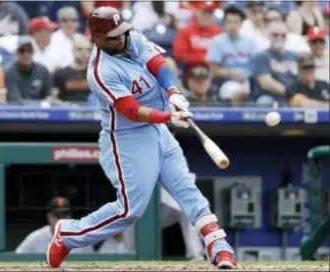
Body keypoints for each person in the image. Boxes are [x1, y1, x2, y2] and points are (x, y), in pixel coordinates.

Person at [46, 6, 236, 270]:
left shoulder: (130, 36)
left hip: (158, 131)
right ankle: (69, 234)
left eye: (120, 32)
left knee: (187, 190)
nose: (119, 38)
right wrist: (168, 117)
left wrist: (174, 93)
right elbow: (131, 111)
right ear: (96, 38)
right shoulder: (100, 72)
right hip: (127, 138)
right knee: (130, 210)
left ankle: (219, 246)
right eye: (111, 36)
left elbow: (159, 64)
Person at [99, 174, 205, 261]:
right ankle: (130, 256)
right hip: (139, 212)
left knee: (187, 211)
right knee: (128, 225)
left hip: (164, 207)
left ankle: (196, 254)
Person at [206, 6, 254, 106]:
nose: (232, 26)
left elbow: (256, 66)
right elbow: (214, 70)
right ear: (224, 24)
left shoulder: (250, 42)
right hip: (226, 83)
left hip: (249, 82)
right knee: (239, 93)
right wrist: (232, 73)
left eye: (236, 22)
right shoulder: (217, 41)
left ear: (241, 24)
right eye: (229, 22)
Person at [16, 197, 94, 253]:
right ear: (49, 217)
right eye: (57, 216)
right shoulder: (35, 238)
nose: (62, 220)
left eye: (65, 216)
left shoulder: (82, 239)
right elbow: (15, 261)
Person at [253, 21, 300, 106]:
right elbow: (265, 83)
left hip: (293, 95)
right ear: (268, 36)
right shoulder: (262, 56)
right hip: (270, 96)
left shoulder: (295, 56)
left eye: (283, 35)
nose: (279, 38)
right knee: (264, 102)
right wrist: (290, 93)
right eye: (275, 35)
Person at [173, 1, 222, 68]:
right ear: (196, 12)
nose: (207, 16)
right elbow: (179, 55)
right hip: (191, 70)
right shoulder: (185, 31)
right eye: (204, 12)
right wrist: (203, 59)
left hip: (214, 70)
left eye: (210, 13)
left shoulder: (218, 31)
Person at [5, 36, 53, 104]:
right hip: (18, 112)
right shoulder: (10, 72)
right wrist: (40, 103)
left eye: (29, 50)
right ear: (17, 53)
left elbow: (48, 95)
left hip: (41, 111)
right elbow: (14, 99)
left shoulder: (43, 70)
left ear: (33, 52)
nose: (26, 54)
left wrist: (48, 101)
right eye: (22, 51)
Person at [53, 34, 92, 104]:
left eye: (88, 50)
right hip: (66, 112)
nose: (84, 53)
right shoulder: (61, 73)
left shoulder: (94, 74)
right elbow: (53, 98)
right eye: (79, 49)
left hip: (90, 112)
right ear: (72, 50)